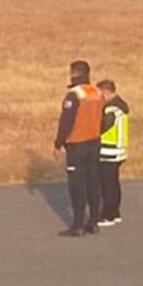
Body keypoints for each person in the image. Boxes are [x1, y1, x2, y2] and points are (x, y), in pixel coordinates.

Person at [53, 60, 106, 237]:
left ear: (74, 74)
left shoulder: (74, 95)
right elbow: (104, 119)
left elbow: (66, 122)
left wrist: (58, 143)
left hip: (77, 144)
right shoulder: (98, 93)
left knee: (77, 185)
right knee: (93, 182)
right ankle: (93, 222)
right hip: (94, 142)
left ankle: (78, 225)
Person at [96, 79, 130, 227]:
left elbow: (101, 127)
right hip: (118, 151)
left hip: (109, 151)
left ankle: (108, 214)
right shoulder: (121, 107)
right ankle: (115, 212)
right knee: (113, 184)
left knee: (107, 185)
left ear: (106, 93)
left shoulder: (111, 111)